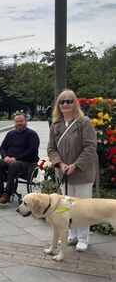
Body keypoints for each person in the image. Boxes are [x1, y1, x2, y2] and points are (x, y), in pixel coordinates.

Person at [47, 89, 97, 252]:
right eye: (62, 102)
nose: (65, 104)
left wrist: (75, 165)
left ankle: (83, 238)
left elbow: (90, 146)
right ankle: (73, 234)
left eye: (69, 101)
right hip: (64, 173)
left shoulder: (84, 122)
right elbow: (51, 148)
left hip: (81, 173)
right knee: (68, 206)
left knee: (83, 206)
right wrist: (59, 164)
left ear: (75, 103)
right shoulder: (55, 124)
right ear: (58, 105)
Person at [0, 112, 40, 204]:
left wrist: (16, 158)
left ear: (26, 121)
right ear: (14, 122)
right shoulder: (10, 134)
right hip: (11, 160)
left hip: (27, 162)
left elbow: (32, 151)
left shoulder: (32, 134)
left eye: (21, 121)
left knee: (14, 164)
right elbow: (2, 148)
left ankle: (7, 193)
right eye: (17, 121)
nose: (19, 123)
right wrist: (5, 157)